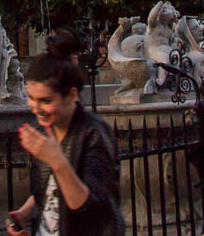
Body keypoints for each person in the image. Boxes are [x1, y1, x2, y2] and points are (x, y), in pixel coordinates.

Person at [7, 29, 123, 236]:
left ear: (71, 95)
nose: (35, 108)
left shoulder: (94, 133)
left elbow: (92, 211)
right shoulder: (43, 129)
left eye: (46, 101)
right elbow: (51, 186)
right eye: (31, 98)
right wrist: (26, 212)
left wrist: (57, 161)